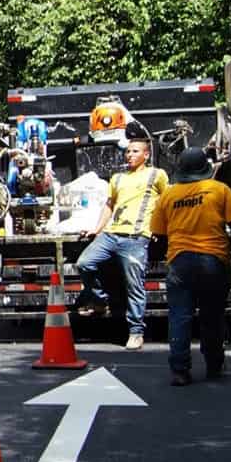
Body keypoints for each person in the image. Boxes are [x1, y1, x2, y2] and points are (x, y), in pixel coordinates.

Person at [149, 147, 231, 386]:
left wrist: (156, 260)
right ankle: (214, 364)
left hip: (180, 262)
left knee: (180, 317)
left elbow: (158, 237)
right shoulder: (219, 190)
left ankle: (180, 370)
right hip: (213, 262)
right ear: (205, 168)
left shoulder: (169, 196)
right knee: (212, 317)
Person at [76, 137, 168, 350]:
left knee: (134, 286)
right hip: (111, 235)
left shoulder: (156, 175)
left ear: (146, 155)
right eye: (127, 152)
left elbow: (166, 203)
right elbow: (109, 206)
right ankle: (100, 300)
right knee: (84, 264)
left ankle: (136, 332)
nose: (129, 155)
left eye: (135, 151)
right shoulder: (117, 178)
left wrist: (160, 229)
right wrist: (96, 229)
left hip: (136, 238)